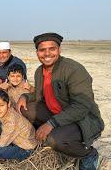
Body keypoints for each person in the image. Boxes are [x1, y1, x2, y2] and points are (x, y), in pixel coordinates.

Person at [17, 33, 104, 170]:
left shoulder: (74, 70)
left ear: (59, 50)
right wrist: (25, 97)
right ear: (37, 52)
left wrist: (51, 124)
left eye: (52, 48)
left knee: (55, 140)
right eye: (42, 50)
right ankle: (45, 139)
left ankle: (88, 154)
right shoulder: (40, 71)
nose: (47, 54)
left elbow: (81, 106)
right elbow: (39, 94)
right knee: (24, 108)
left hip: (82, 120)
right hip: (57, 114)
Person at [0, 90, 38, 160]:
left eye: (1, 105)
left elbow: (2, 143)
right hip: (14, 138)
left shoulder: (11, 121)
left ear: (8, 104)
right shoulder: (8, 110)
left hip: (25, 148)